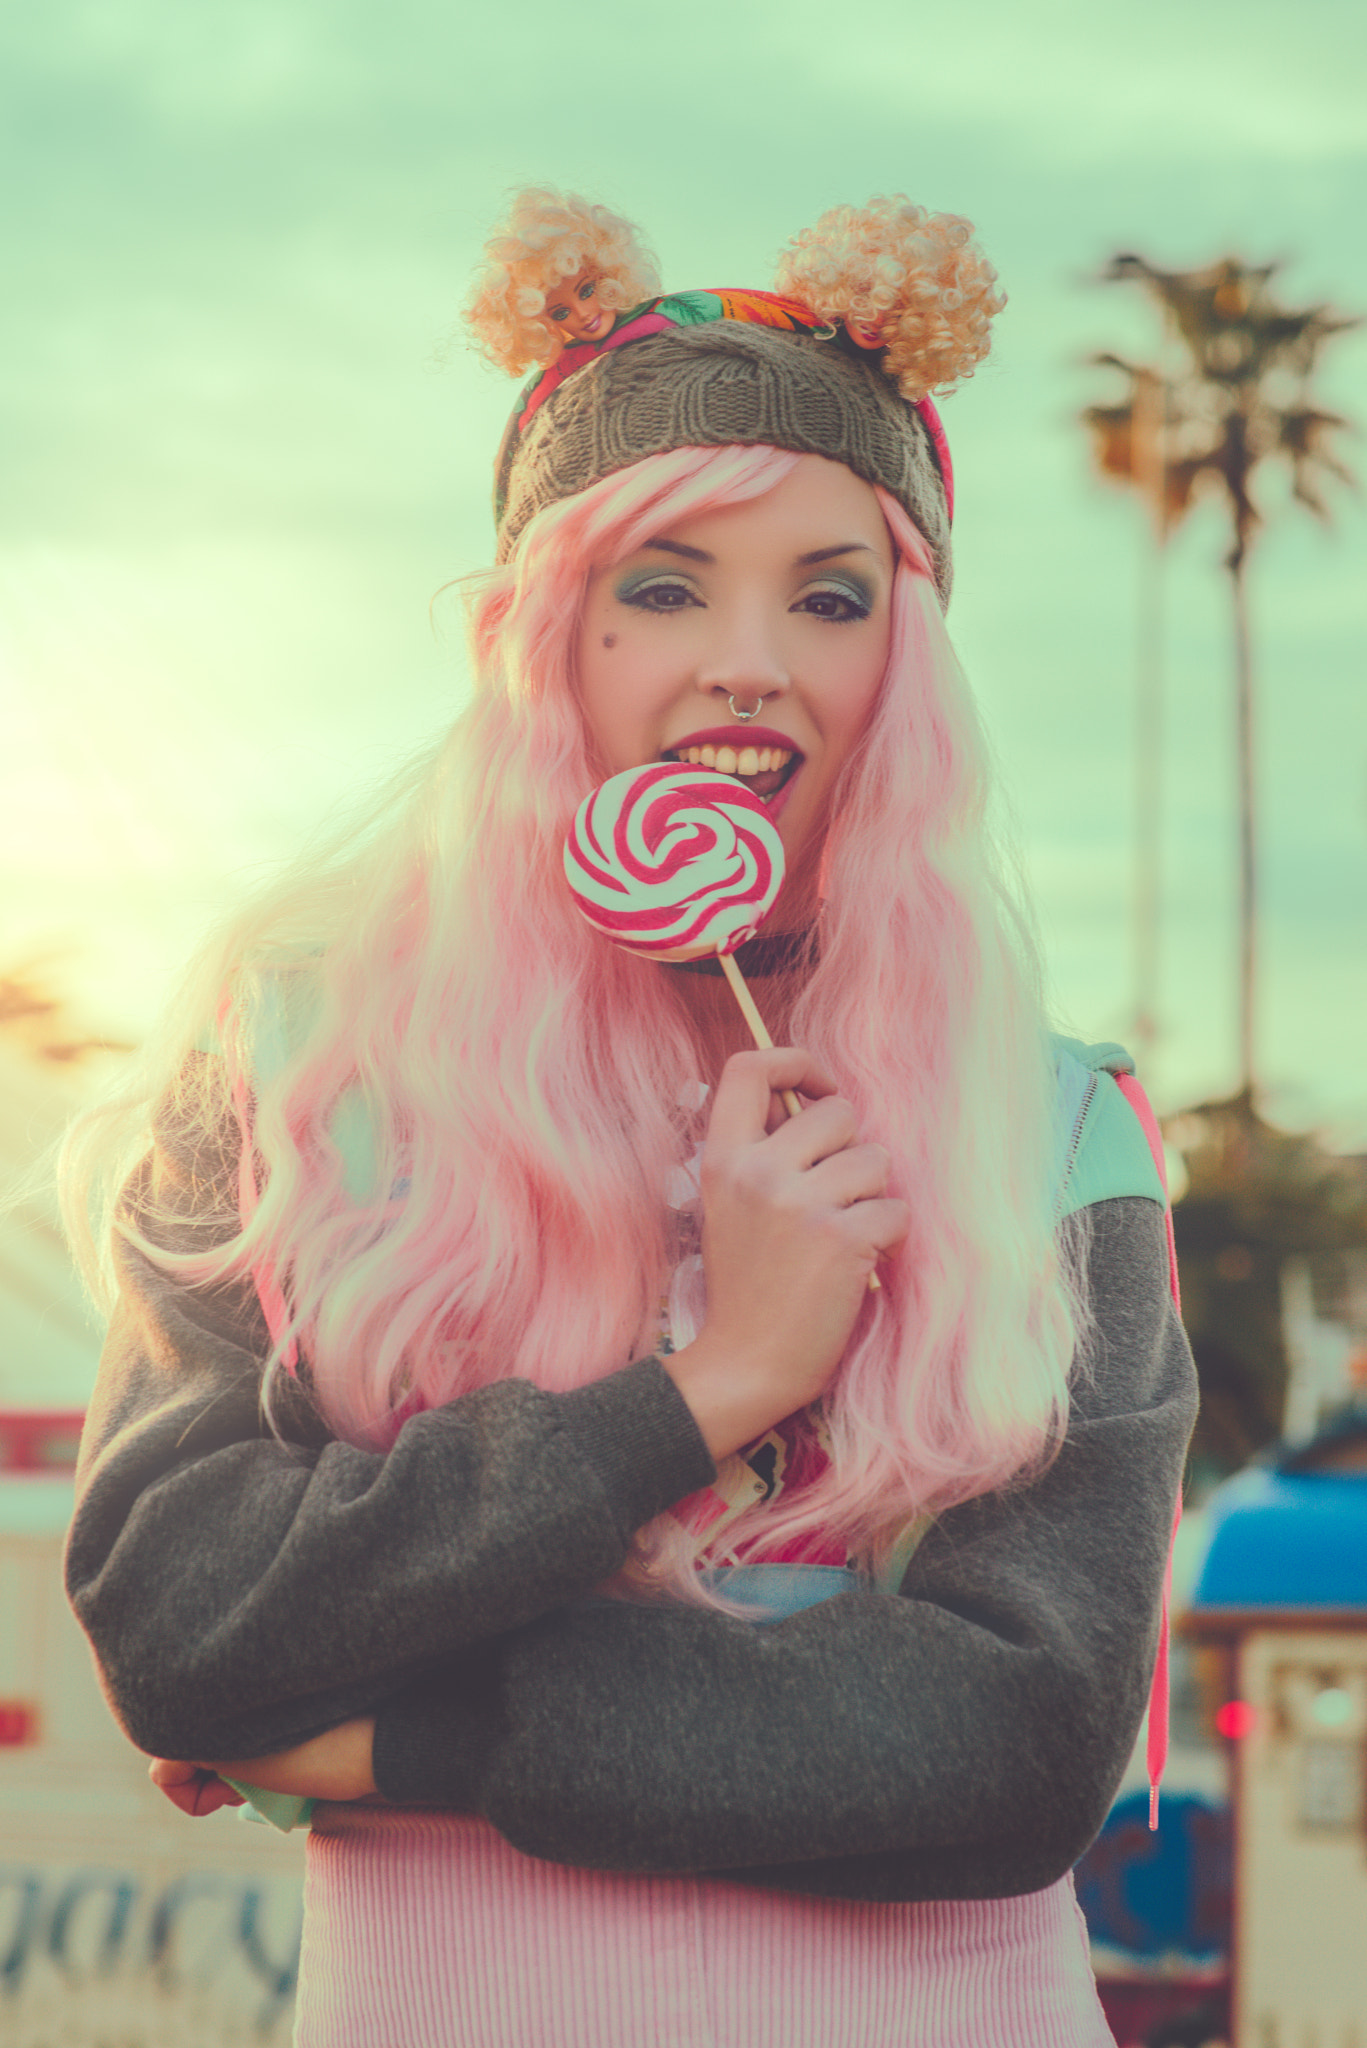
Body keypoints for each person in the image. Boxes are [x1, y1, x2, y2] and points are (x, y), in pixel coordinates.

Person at [63, 194, 1197, 2047]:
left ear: (901, 667)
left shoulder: (1059, 1129)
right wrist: (715, 1380)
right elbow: (183, 1624)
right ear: (545, 641)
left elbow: (1023, 1751)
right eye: (660, 585)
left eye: (831, 597)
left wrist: (391, 1732)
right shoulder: (299, 1069)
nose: (747, 661)